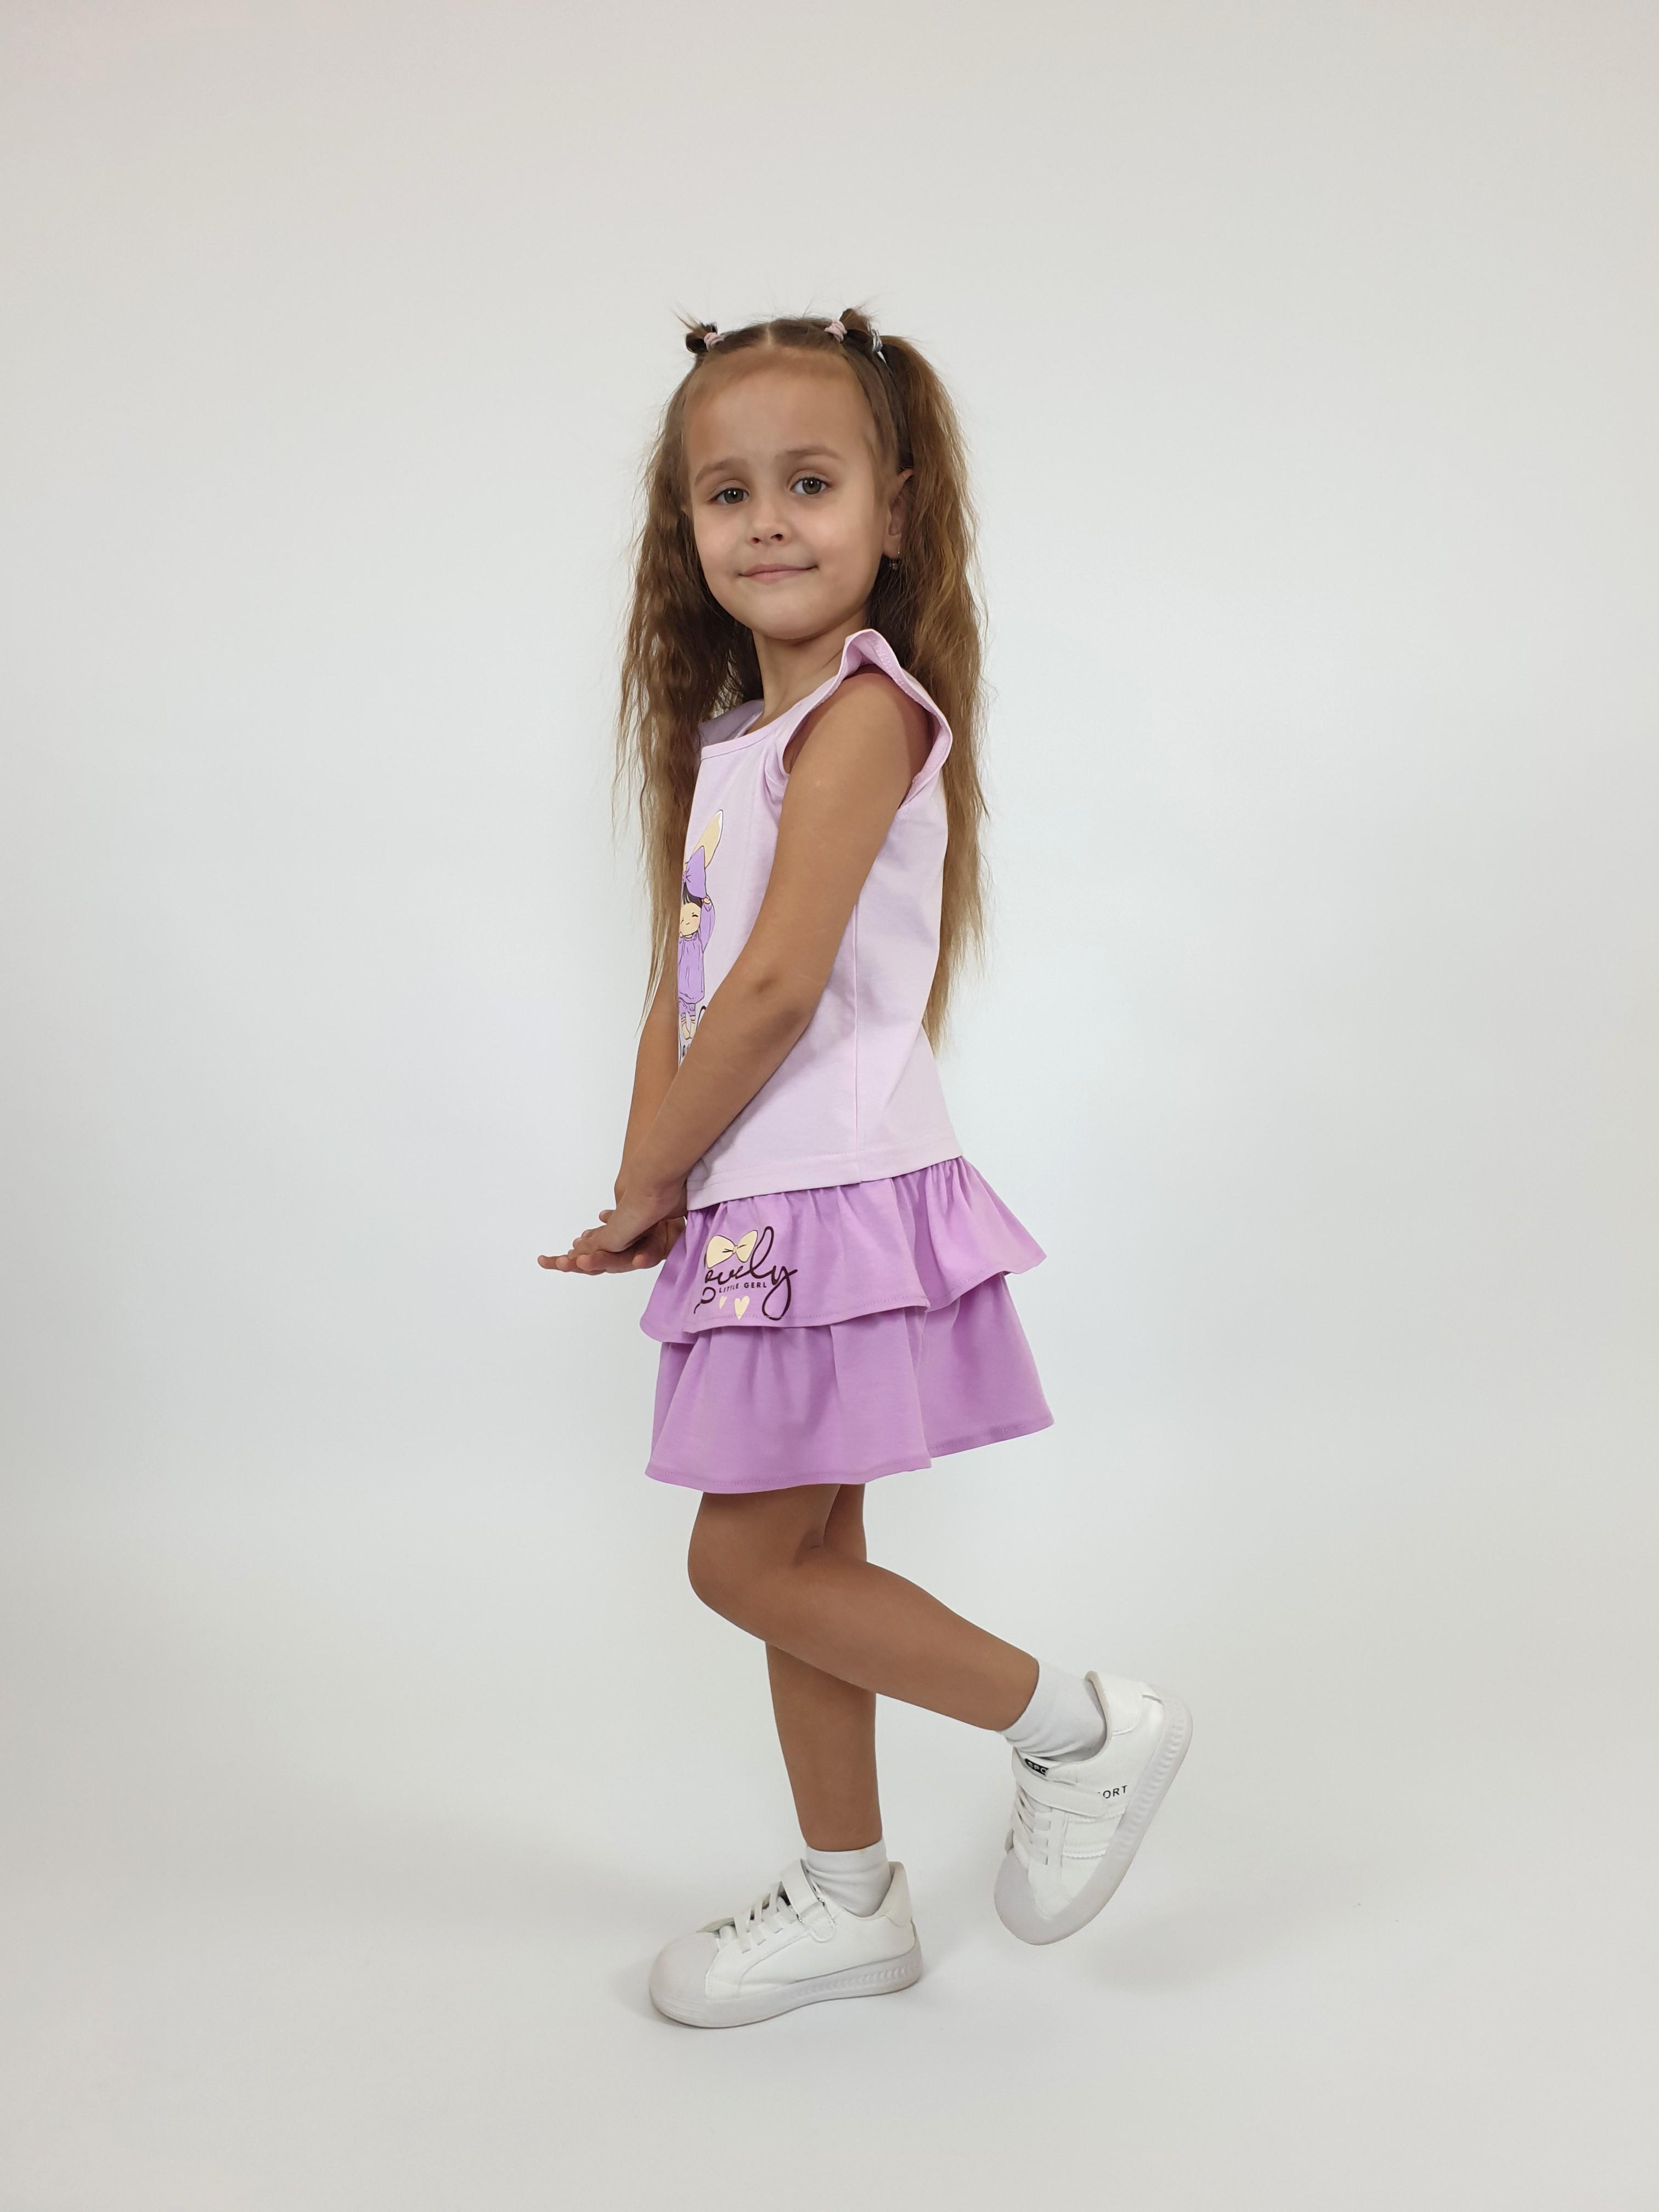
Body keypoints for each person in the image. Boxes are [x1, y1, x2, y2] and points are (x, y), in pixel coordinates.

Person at [540, 306, 1191, 2029]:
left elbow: (774, 993)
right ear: (685, 527)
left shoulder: (865, 717)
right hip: (757, 1196)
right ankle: (849, 1899)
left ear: (895, 508)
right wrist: (651, 1186)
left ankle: (1078, 1732)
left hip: (825, 1193)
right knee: (810, 1561)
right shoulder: (734, 740)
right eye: (727, 492)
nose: (767, 522)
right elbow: (684, 986)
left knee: (741, 1562)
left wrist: (657, 1181)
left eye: (811, 484)